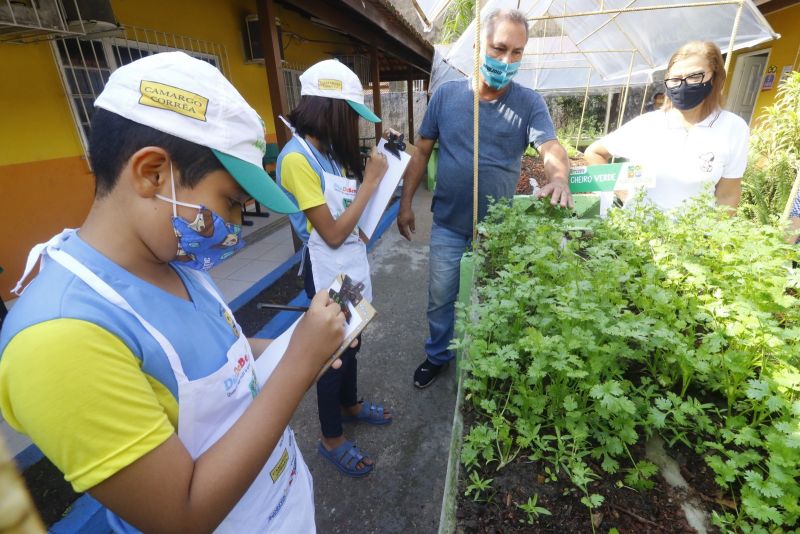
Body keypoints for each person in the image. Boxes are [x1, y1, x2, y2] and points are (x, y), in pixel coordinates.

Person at [0, 52, 348, 533]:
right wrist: (297, 366)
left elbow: (211, 356)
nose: (232, 228)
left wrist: (293, 347)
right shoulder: (58, 340)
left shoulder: (172, 259)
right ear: (152, 174)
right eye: (230, 203)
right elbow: (179, 516)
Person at [397, 8, 573, 389]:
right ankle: (438, 355)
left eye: (516, 53)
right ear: (479, 46)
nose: (507, 61)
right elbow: (422, 153)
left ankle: (484, 360)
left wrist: (559, 177)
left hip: (497, 229)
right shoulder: (446, 97)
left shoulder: (529, 103)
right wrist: (405, 203)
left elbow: (551, 147)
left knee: (492, 299)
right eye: (498, 49)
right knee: (441, 298)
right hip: (447, 223)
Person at [276, 60, 392, 478]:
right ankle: (331, 438)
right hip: (326, 269)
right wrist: (371, 184)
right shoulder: (296, 159)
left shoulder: (326, 152)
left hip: (347, 267)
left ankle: (351, 404)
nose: (353, 127)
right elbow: (330, 232)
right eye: (350, 115)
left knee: (352, 338)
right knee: (332, 352)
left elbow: (350, 219)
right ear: (330, 109)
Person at [585, 41, 749, 212]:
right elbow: (594, 153)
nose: (684, 84)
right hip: (639, 233)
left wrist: (716, 236)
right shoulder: (647, 125)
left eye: (695, 76)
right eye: (675, 79)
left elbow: (727, 194)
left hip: (695, 235)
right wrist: (623, 193)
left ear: (715, 78)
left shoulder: (733, 128)